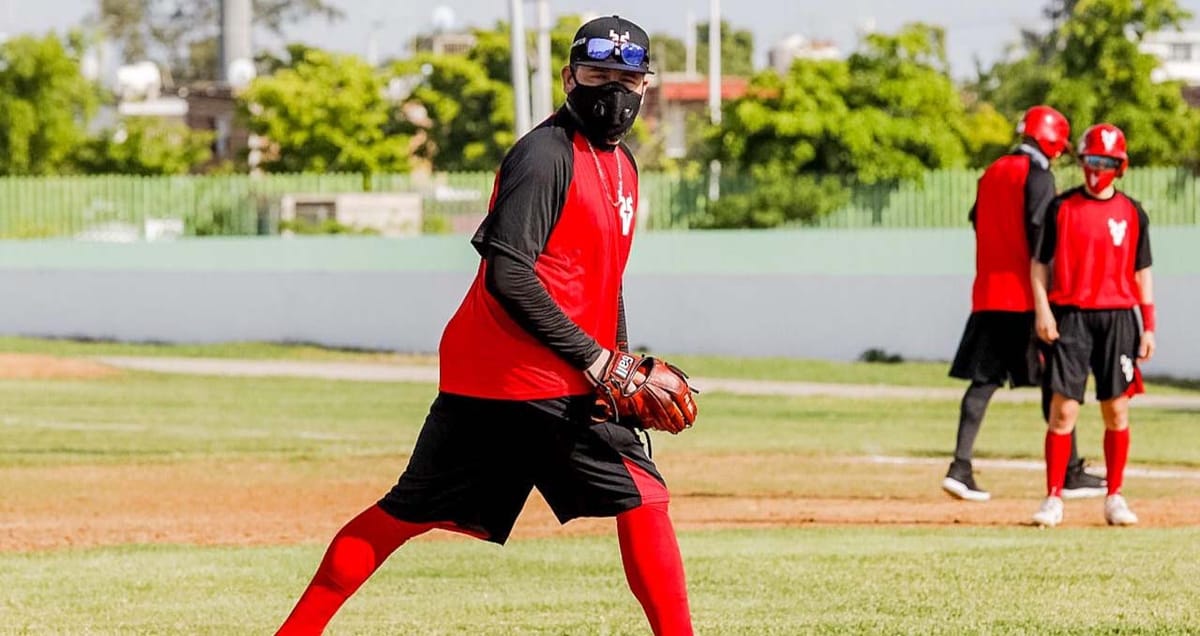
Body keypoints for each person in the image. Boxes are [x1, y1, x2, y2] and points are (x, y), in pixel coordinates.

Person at [276, 16, 696, 635]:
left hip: (491, 376)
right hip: (535, 374)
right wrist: (600, 363)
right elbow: (509, 275)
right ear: (568, 77)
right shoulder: (545, 154)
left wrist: (619, 364)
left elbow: (602, 281)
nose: (613, 91)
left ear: (645, 86)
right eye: (597, 75)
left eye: (628, 78)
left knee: (404, 512)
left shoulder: (621, 166)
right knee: (645, 497)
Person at [943, 105, 1107, 502]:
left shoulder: (992, 172)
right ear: (1053, 140)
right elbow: (1042, 236)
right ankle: (1069, 471)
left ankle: (960, 467)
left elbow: (977, 219)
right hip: (1027, 297)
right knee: (1057, 382)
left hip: (988, 293)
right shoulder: (1038, 176)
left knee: (983, 381)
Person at [1029, 123, 1155, 527]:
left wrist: (1148, 325)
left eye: (1105, 162)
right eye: (1090, 160)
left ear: (1120, 166)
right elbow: (1038, 265)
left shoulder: (1133, 212)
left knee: (1116, 410)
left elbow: (1142, 272)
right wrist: (1043, 310)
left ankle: (1115, 495)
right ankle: (1053, 497)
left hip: (1118, 319)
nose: (1095, 169)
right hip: (1072, 318)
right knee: (1062, 410)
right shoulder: (1061, 208)